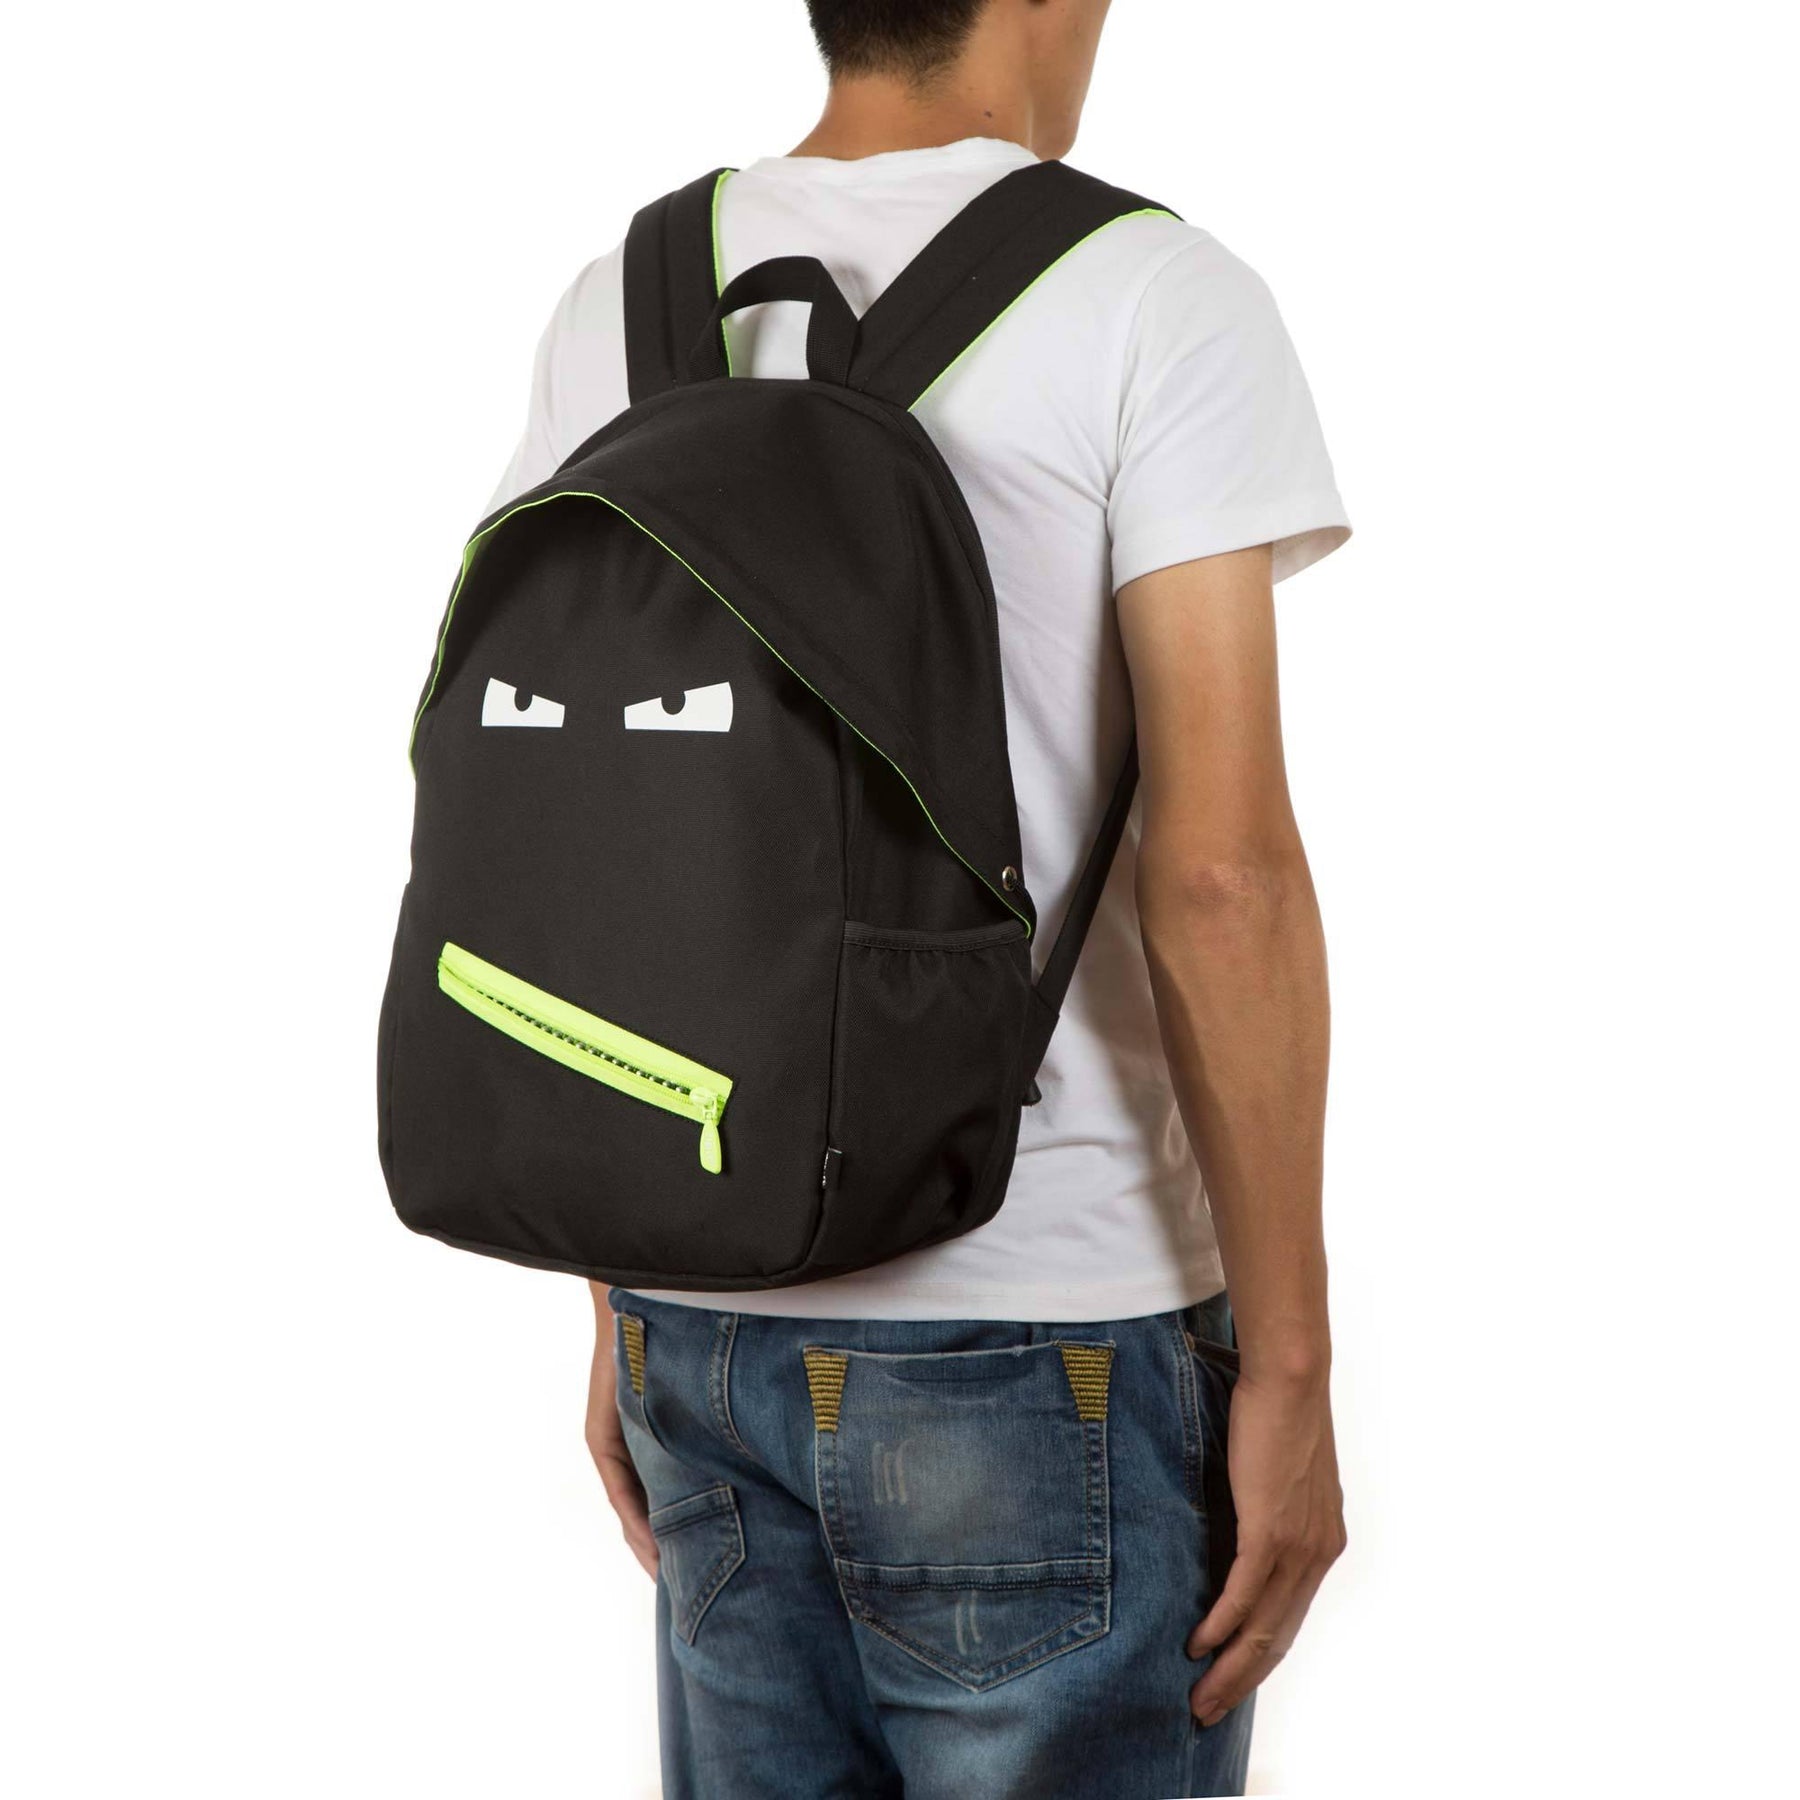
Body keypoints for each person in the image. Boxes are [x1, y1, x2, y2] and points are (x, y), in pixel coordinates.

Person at [489, 4, 1350, 1793]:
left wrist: (630, 1282)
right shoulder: (1151, 296)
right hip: (1050, 1323)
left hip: (701, 1314)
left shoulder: (624, 298)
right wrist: (1289, 1367)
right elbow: (1220, 875)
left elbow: (576, 834)